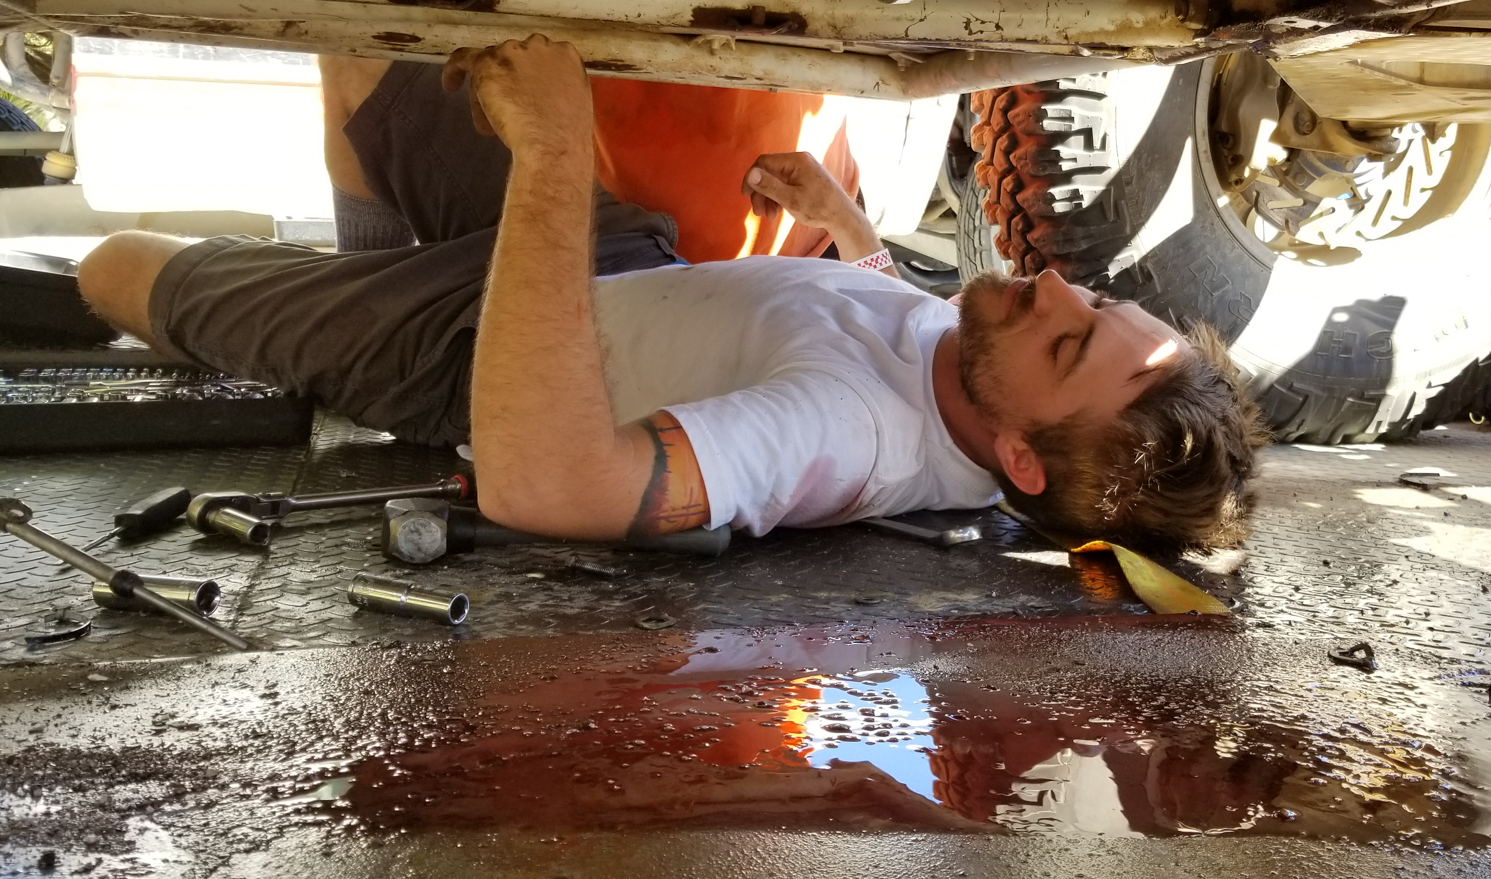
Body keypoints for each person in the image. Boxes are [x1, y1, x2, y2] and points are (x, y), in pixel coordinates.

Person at [75, 37, 1266, 551]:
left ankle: (353, 310)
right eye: (1101, 308)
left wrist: (551, 149)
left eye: (1069, 345)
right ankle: (359, 274)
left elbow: (554, 484)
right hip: (613, 258)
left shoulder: (839, 436)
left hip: (478, 346)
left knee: (116, 268)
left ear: (1017, 460)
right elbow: (896, 320)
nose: (1056, 288)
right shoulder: (970, 377)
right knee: (384, 61)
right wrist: (849, 229)